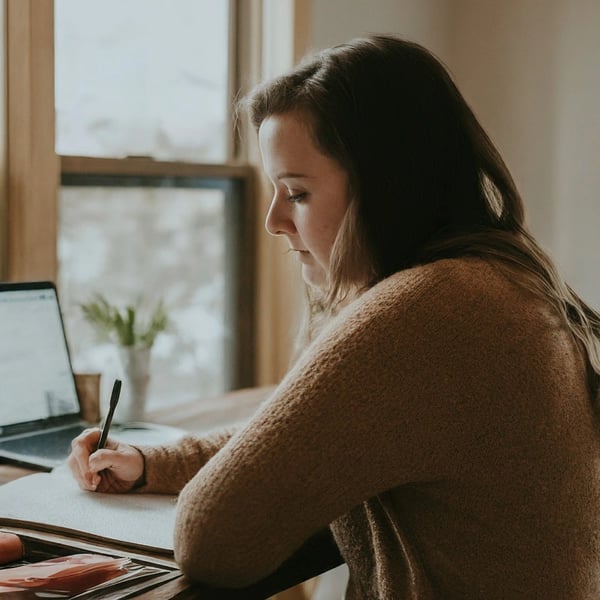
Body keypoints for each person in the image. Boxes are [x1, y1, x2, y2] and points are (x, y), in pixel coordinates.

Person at [68, 34, 600, 598]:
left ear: (388, 187)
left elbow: (213, 539)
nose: (274, 220)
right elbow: (315, 436)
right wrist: (152, 462)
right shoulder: (494, 281)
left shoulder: (432, 309)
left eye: (295, 193)